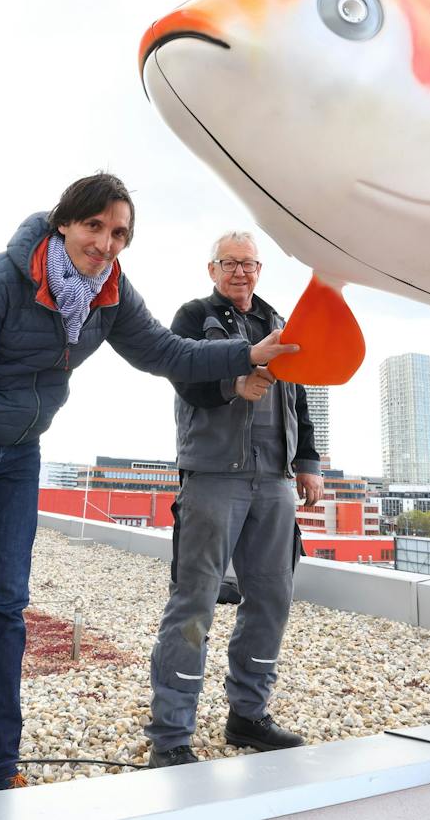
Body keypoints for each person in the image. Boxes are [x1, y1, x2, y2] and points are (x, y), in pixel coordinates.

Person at [0, 175, 298, 803]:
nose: (106, 243)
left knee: (6, 607)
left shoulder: (107, 295)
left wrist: (248, 355)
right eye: (96, 227)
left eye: (120, 234)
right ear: (64, 222)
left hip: (20, 457)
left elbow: (168, 352)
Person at [144, 230, 322, 767]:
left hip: (274, 481)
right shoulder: (193, 316)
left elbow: (301, 395)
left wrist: (308, 464)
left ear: (260, 270)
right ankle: (171, 735)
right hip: (214, 477)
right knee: (194, 604)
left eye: (249, 263)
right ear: (212, 269)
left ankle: (249, 714)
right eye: (230, 263)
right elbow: (182, 373)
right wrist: (231, 387)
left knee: (271, 599)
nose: (240, 272)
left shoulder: (281, 324)